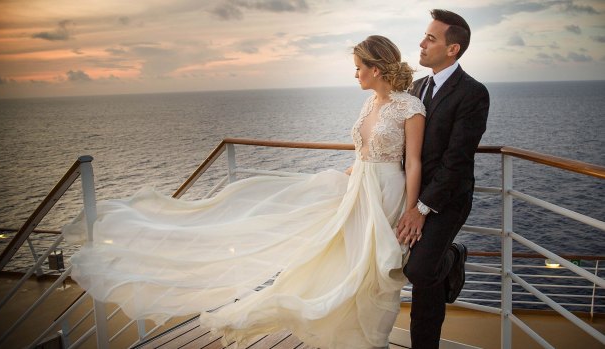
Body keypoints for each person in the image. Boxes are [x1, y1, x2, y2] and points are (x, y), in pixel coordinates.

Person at [62, 35, 425, 349]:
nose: (355, 73)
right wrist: (347, 174)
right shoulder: (369, 103)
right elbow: (364, 151)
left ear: (375, 69)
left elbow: (413, 163)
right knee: (341, 263)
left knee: (377, 271)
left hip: (386, 193)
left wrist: (411, 210)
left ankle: (374, 341)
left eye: (358, 66)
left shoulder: (409, 107)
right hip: (356, 188)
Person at [397, 9, 490, 349]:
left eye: (431, 39)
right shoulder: (415, 87)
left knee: (420, 271)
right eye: (424, 36)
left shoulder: (473, 93)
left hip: (446, 201)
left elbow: (457, 160)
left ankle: (453, 256)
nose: (421, 44)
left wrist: (420, 209)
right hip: (409, 195)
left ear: (453, 49)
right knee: (425, 281)